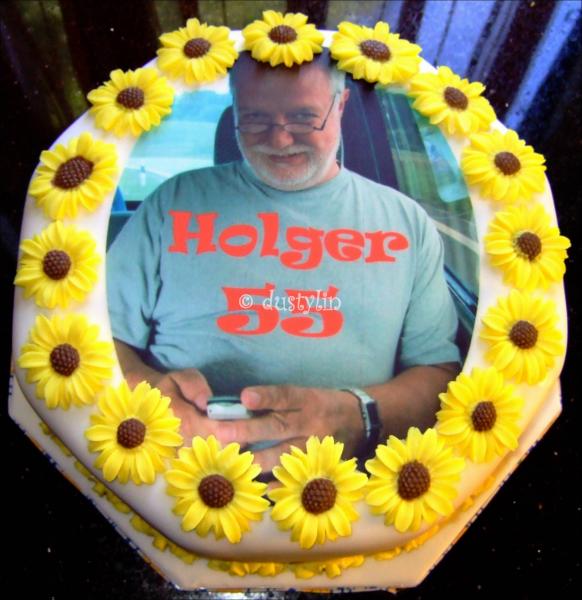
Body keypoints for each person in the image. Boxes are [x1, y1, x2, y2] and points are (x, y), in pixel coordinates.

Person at [107, 51, 460, 471]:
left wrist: (357, 414)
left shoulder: (406, 222)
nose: (279, 140)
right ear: (234, 111)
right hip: (168, 479)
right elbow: (92, 337)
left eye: (303, 118)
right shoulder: (170, 203)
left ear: (341, 105)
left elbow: (437, 374)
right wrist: (145, 390)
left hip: (347, 489)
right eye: (255, 119)